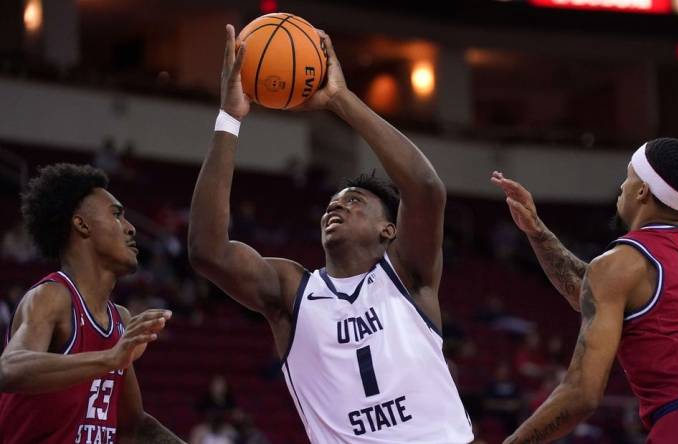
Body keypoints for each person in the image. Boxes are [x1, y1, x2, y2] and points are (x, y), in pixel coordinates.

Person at [188, 25, 472, 443]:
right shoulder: (291, 291)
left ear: (388, 230)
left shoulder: (408, 275)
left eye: (355, 200)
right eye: (333, 203)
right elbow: (207, 251)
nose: (337, 206)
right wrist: (229, 118)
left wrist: (341, 100)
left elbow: (425, 189)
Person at [491, 138, 678, 443]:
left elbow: (582, 394)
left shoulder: (623, 263)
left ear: (642, 190)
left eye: (628, 177)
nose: (622, 187)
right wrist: (537, 231)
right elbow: (589, 291)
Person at [0, 163, 183, 443]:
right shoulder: (53, 296)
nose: (131, 228)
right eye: (117, 215)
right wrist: (110, 358)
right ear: (82, 224)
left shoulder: (119, 319)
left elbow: (134, 426)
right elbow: (9, 368)